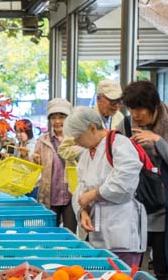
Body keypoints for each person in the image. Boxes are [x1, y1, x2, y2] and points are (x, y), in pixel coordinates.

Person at [123, 80, 168, 280]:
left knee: (164, 266)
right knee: (130, 266)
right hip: (134, 208)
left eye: (140, 109)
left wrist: (157, 141)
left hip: (165, 208)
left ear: (153, 105)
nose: (135, 115)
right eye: (131, 109)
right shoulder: (126, 126)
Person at [63, 106, 146, 269]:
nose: (76, 142)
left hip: (122, 230)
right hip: (97, 231)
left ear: (92, 128)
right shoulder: (87, 154)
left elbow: (125, 182)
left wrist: (94, 194)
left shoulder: (120, 144)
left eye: (78, 137)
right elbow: (80, 186)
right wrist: (83, 211)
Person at [31, 98, 78, 230]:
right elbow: (35, 166)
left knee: (71, 232)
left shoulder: (77, 138)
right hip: (50, 194)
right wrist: (30, 158)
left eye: (62, 117)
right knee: (49, 231)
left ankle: (68, 252)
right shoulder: (42, 140)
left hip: (72, 194)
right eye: (53, 117)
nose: (57, 121)